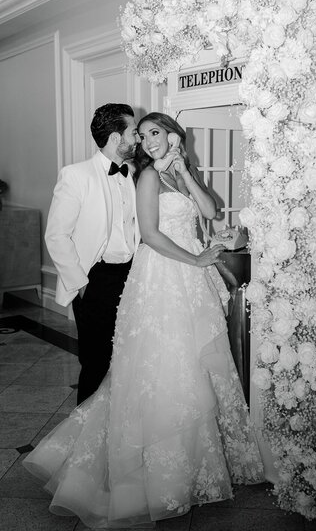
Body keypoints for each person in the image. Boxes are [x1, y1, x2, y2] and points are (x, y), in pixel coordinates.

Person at [23, 112, 265, 529]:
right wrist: (194, 258)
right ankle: (111, 464)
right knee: (137, 367)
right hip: (154, 275)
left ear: (174, 136)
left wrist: (186, 172)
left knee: (190, 368)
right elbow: (149, 234)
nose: (145, 140)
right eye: (140, 133)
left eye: (154, 133)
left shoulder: (164, 171)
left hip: (179, 279)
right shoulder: (141, 176)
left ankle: (187, 466)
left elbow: (209, 208)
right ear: (119, 135)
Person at [44, 103, 141, 404]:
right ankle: (85, 430)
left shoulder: (133, 172)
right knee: (96, 361)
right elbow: (56, 235)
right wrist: (81, 282)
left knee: (128, 355)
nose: (137, 139)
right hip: (94, 280)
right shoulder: (75, 175)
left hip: (132, 275)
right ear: (116, 138)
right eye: (133, 133)